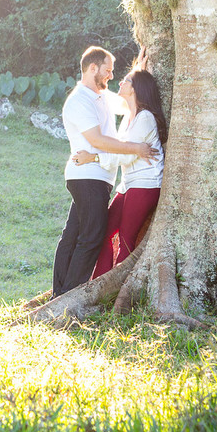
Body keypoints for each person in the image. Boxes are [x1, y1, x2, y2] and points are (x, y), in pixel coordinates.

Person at [53, 47, 157, 298]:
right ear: (92, 68)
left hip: (96, 176)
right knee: (91, 237)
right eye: (108, 71)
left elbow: (128, 96)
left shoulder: (100, 97)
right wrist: (136, 148)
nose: (111, 76)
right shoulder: (80, 101)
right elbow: (97, 140)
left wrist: (139, 71)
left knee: (74, 234)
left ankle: (60, 294)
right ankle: (70, 295)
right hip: (88, 176)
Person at [72, 68, 166, 277]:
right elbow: (122, 149)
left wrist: (93, 157)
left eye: (126, 80)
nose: (121, 83)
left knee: (125, 238)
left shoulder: (145, 118)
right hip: (128, 185)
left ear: (136, 89)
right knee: (105, 233)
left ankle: (118, 288)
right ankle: (98, 283)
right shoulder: (128, 118)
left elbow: (125, 155)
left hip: (145, 185)